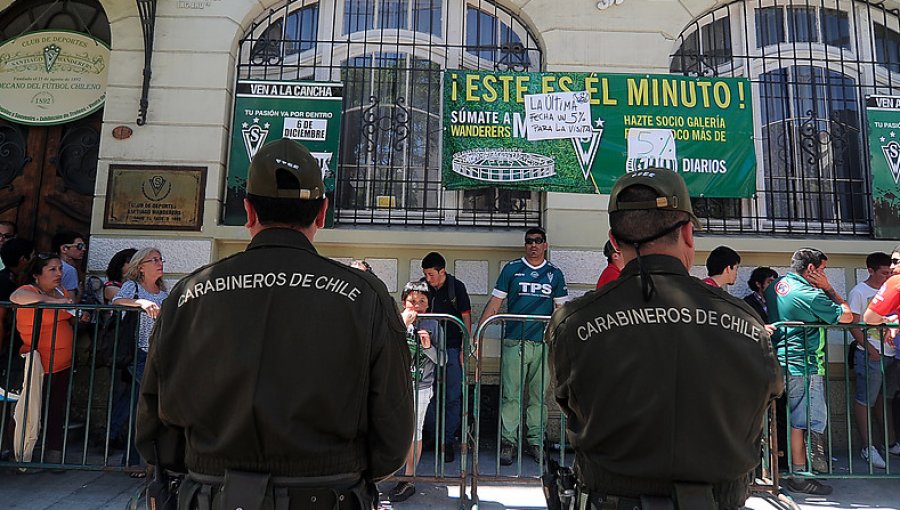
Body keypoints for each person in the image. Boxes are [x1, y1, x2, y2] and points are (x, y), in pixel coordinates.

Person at [136, 138, 414, 510]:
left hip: (210, 493)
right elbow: (392, 436)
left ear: (248, 211)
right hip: (329, 494)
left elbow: (155, 428)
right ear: (322, 213)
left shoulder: (189, 294)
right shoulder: (365, 296)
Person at [547, 168, 782, 510]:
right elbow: (769, 392)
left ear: (614, 240)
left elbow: (567, 399)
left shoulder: (573, 323)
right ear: (688, 232)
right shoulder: (745, 321)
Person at [765, 248, 852, 495]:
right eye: (823, 270)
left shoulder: (777, 286)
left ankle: (798, 470)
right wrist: (830, 289)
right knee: (802, 422)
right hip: (803, 364)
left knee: (795, 419)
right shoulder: (810, 295)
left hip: (782, 360)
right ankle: (800, 476)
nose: (825, 275)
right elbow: (846, 317)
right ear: (811, 269)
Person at [479, 227, 568, 466]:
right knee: (511, 396)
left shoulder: (555, 274)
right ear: (525, 244)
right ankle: (509, 443)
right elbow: (495, 303)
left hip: (543, 344)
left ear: (545, 245)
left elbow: (561, 311)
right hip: (514, 342)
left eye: (538, 241)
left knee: (539, 397)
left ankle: (536, 441)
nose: (534, 245)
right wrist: (479, 333)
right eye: (529, 241)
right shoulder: (512, 269)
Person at [10, 252, 90, 466]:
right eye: (52, 269)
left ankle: (53, 453)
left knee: (56, 408)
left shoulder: (60, 291)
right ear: (37, 275)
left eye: (60, 269)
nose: (59, 273)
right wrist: (52, 302)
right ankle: (20, 455)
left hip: (61, 363)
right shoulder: (28, 291)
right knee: (29, 409)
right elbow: (16, 298)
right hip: (36, 363)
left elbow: (69, 315)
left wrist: (80, 315)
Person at [108, 248, 168, 473]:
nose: (159, 263)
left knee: (142, 408)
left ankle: (143, 461)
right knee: (148, 408)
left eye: (160, 259)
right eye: (153, 260)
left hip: (157, 356)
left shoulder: (164, 293)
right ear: (140, 266)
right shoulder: (133, 287)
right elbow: (117, 301)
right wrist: (140, 302)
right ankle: (136, 462)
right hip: (137, 354)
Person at [388, 281, 443, 503]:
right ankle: (387, 471)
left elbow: (442, 360)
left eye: (422, 302)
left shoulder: (434, 324)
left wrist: (428, 346)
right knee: (389, 428)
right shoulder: (396, 321)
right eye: (412, 301)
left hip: (421, 386)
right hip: (395, 385)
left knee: (415, 432)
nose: (417, 306)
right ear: (404, 302)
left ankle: (409, 477)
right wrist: (401, 325)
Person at [420, 251, 471, 463]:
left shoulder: (456, 287)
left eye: (432, 274)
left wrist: (464, 348)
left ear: (443, 272)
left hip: (450, 347)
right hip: (428, 349)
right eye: (425, 274)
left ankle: (447, 440)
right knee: (426, 395)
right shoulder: (423, 286)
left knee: (452, 396)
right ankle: (431, 436)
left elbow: (466, 318)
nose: (428, 279)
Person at [847, 252, 895, 469]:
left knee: (884, 399)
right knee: (865, 399)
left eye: (890, 272)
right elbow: (853, 324)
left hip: (892, 353)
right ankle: (869, 446)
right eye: (883, 273)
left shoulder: (893, 288)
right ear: (871, 270)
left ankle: (889, 442)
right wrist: (869, 349)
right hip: (871, 353)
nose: (887, 276)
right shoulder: (859, 292)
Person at [863, 247, 900, 464]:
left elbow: (869, 318)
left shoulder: (895, 283)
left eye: (896, 262)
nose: (893, 267)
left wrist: (888, 322)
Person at [51, 231, 86, 303]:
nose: (83, 249)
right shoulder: (70, 270)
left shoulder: (47, 266)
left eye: (84, 246)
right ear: (64, 249)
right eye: (79, 246)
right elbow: (71, 303)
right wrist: (80, 292)